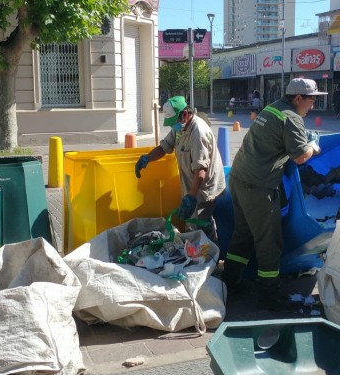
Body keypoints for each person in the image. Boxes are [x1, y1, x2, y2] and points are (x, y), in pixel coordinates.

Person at [220, 78, 324, 310]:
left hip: (239, 179)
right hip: (258, 186)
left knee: (243, 234)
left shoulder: (272, 109)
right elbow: (300, 157)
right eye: (311, 99)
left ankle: (230, 281)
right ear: (298, 98)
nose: (313, 105)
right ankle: (269, 295)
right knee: (269, 243)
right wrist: (313, 146)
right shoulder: (291, 118)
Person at [135, 96, 226, 241]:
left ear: (185, 114)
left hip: (204, 187)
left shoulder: (198, 133)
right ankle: (197, 254)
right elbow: (165, 147)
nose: (173, 126)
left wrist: (191, 196)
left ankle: (209, 259)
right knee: (192, 222)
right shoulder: (180, 127)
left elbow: (201, 171)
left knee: (200, 225)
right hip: (191, 182)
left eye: (174, 122)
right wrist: (147, 158)